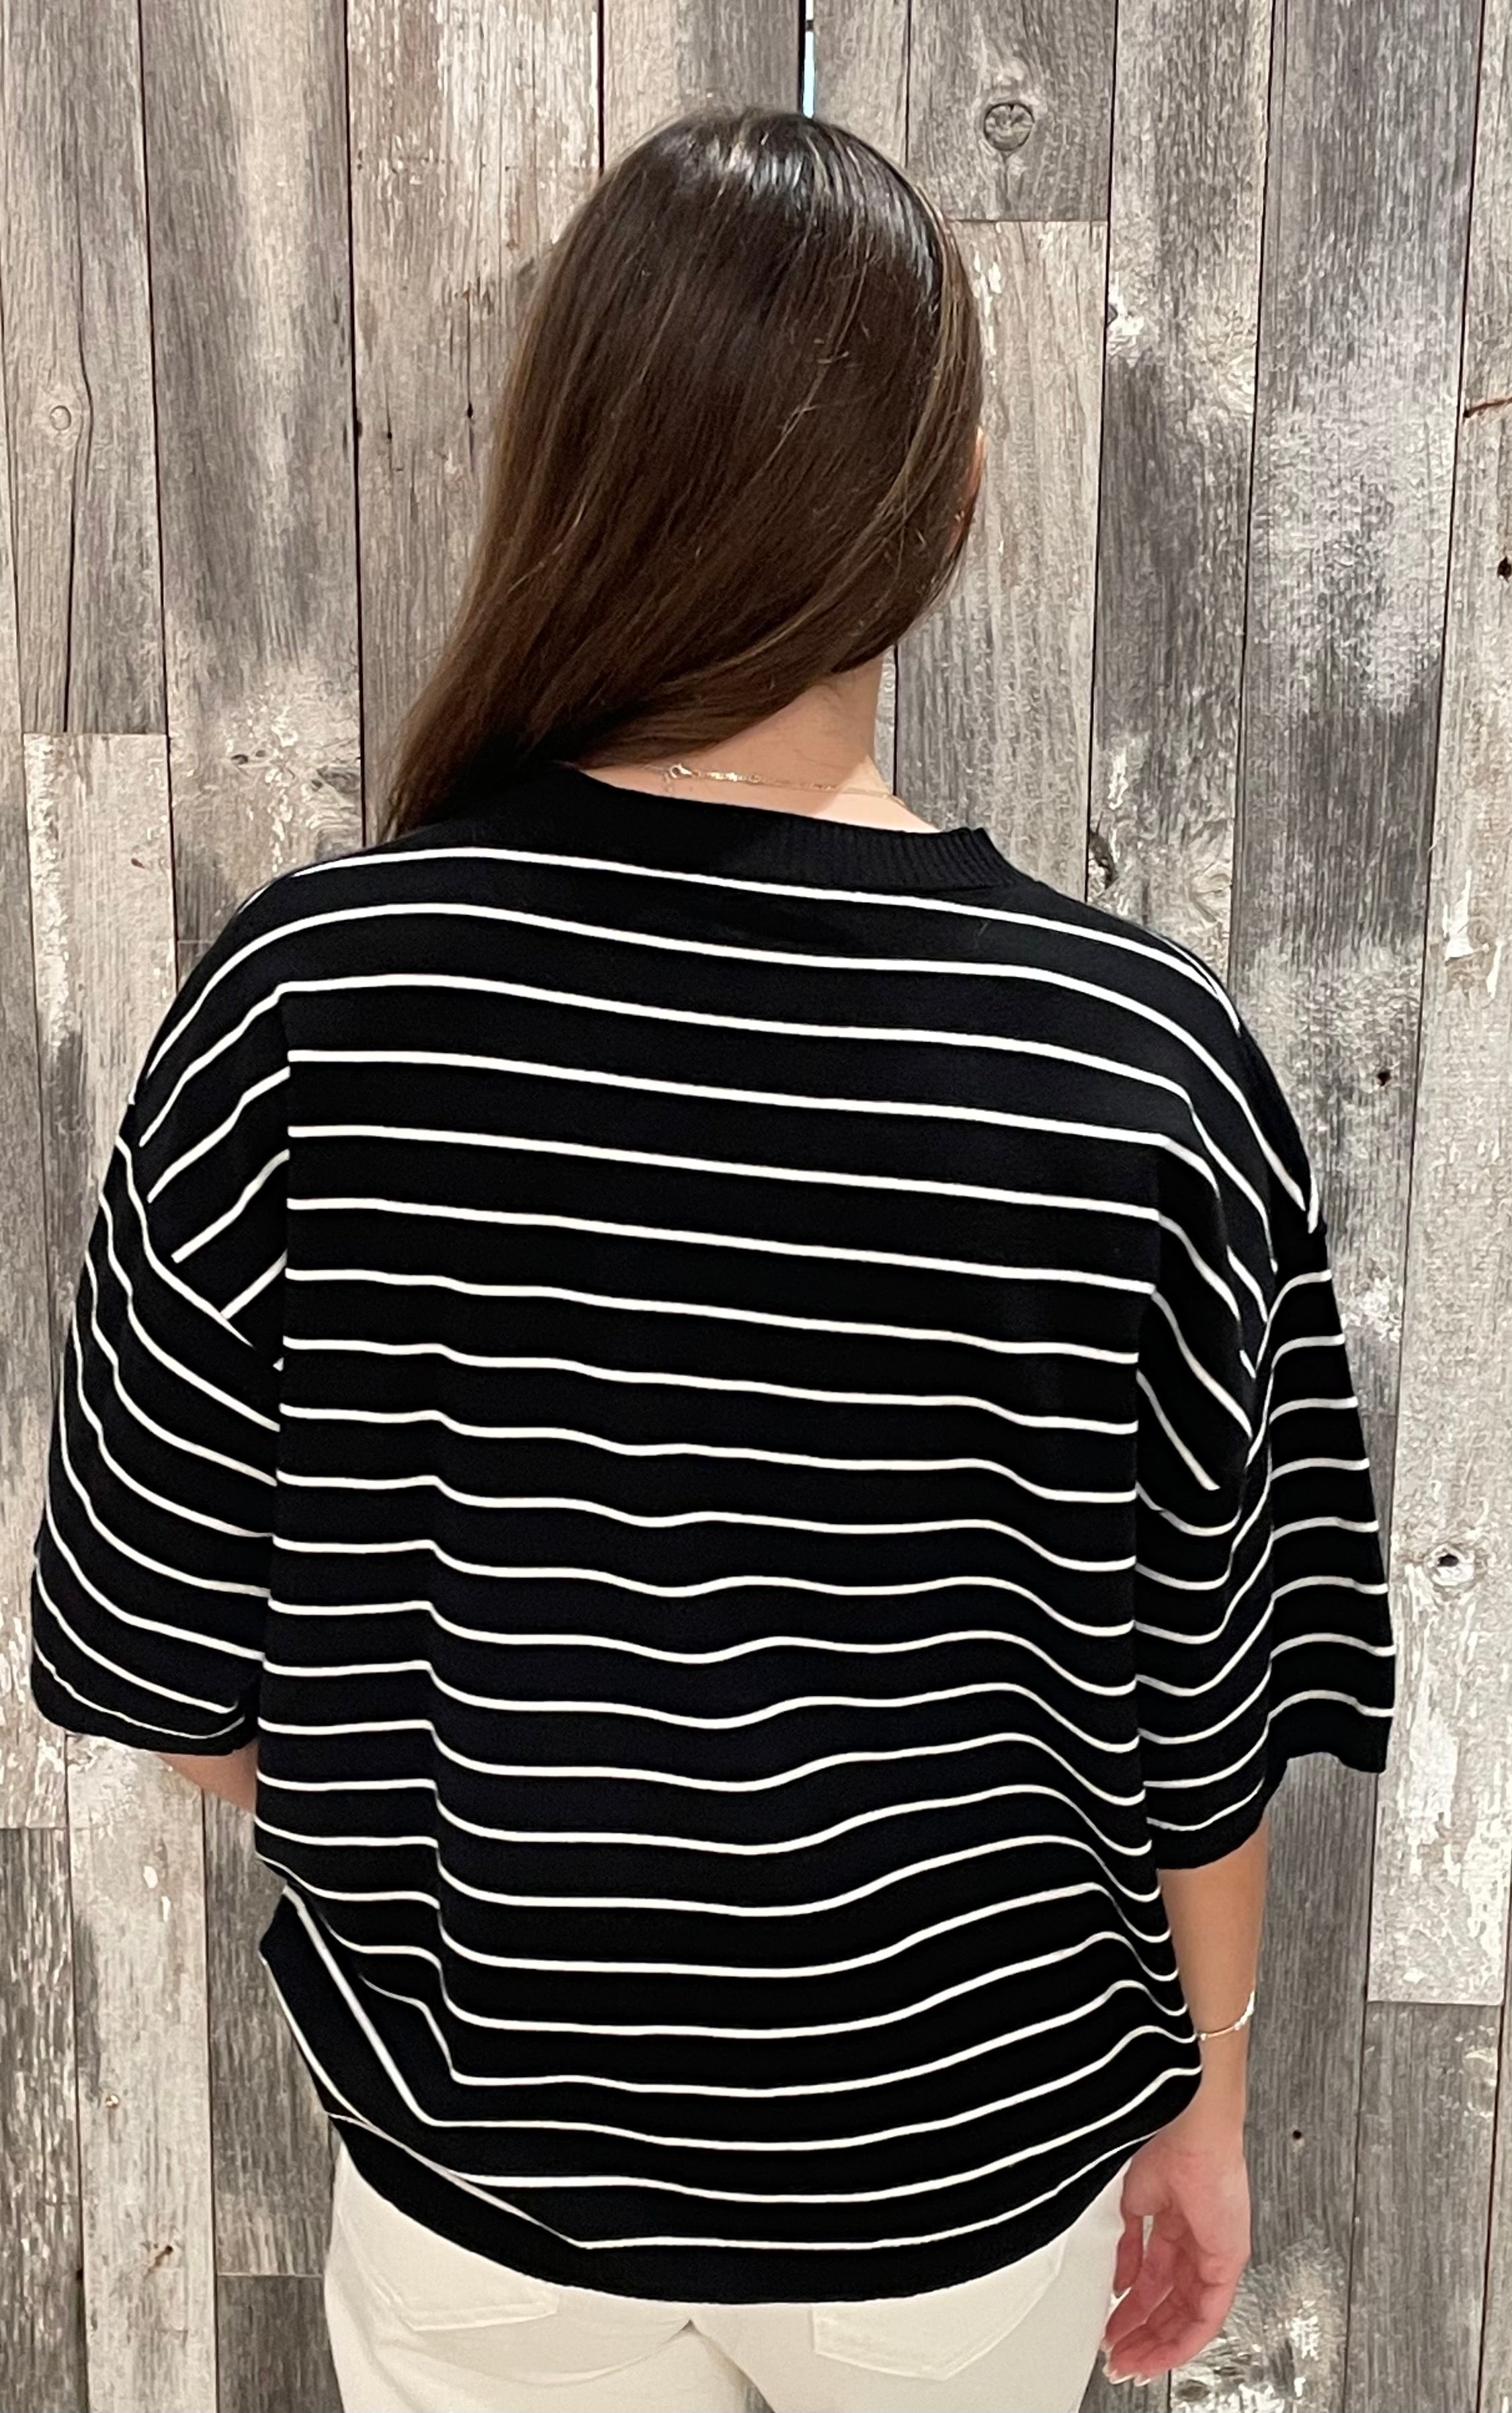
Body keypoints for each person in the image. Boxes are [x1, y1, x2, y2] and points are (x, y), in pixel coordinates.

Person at [28, 106, 1394, 2413]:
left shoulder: (308, 1004)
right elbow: (1204, 1721)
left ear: (564, 464)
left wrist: (492, 1852)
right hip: (960, 2193)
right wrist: (1209, 2101)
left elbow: (153, 1653)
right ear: (950, 502)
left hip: (483, 2185)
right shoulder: (1137, 1066)